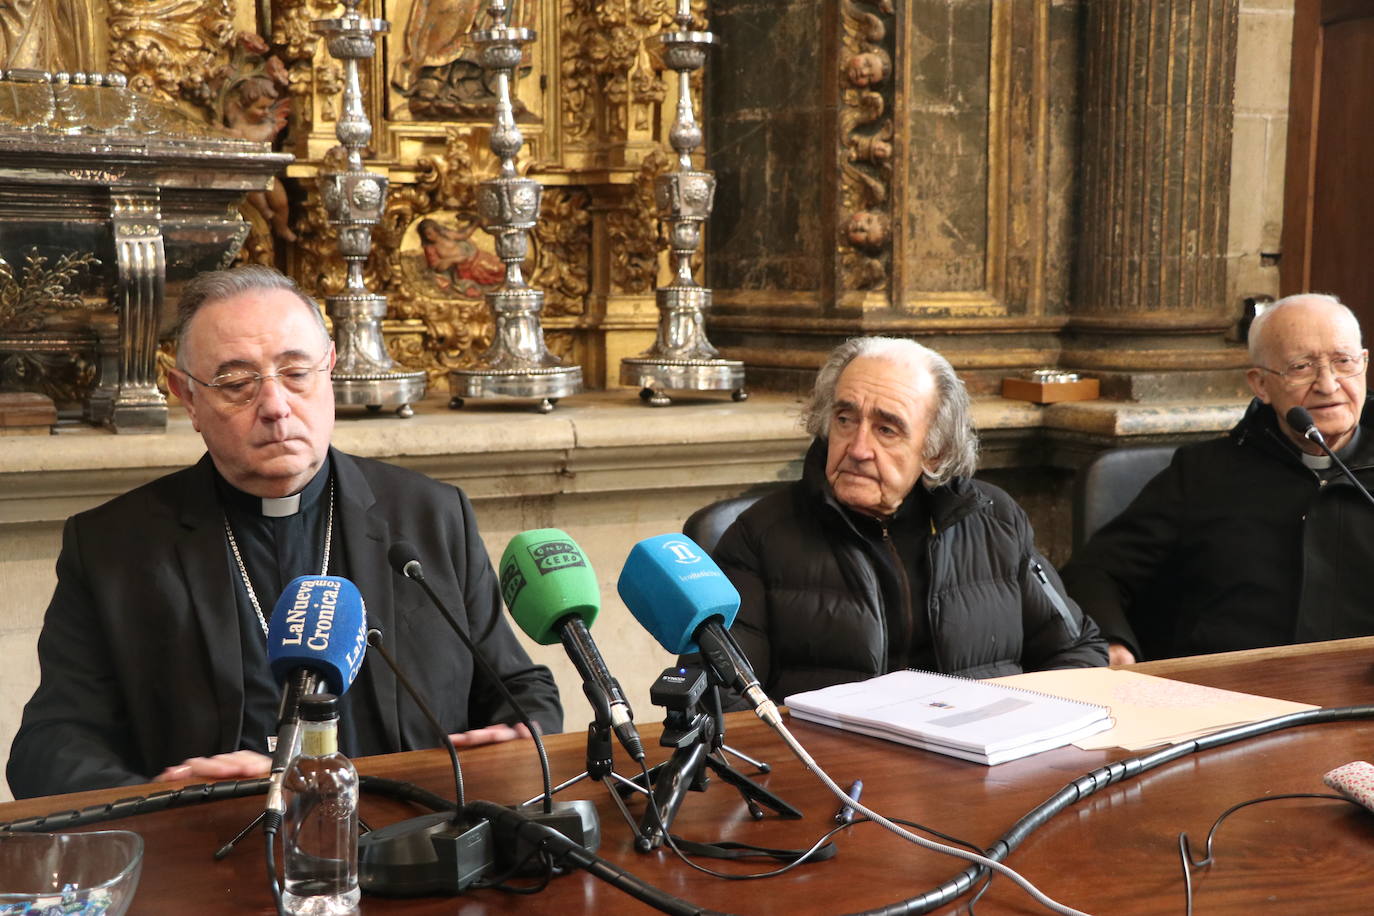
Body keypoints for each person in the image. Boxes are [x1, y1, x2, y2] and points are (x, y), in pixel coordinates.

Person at [7, 266, 561, 799]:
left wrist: (519, 733)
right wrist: (161, 800)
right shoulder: (113, 547)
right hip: (217, 863)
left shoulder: (430, 517)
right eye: (236, 382)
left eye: (296, 374)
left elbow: (518, 687)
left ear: (331, 369)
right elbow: (48, 747)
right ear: (187, 397)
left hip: (417, 843)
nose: (275, 406)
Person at [710, 336, 1107, 704]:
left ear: (934, 451)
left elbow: (1077, 650)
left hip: (984, 762)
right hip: (834, 770)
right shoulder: (760, 535)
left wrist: (1023, 731)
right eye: (845, 420)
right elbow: (723, 693)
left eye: (886, 429)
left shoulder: (993, 519)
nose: (859, 448)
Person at [1062, 293, 1374, 665]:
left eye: (1344, 362)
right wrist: (1113, 644)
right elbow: (1095, 573)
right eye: (1301, 367)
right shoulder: (1203, 473)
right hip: (1227, 697)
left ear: (1364, 364)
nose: (1328, 384)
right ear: (1260, 384)